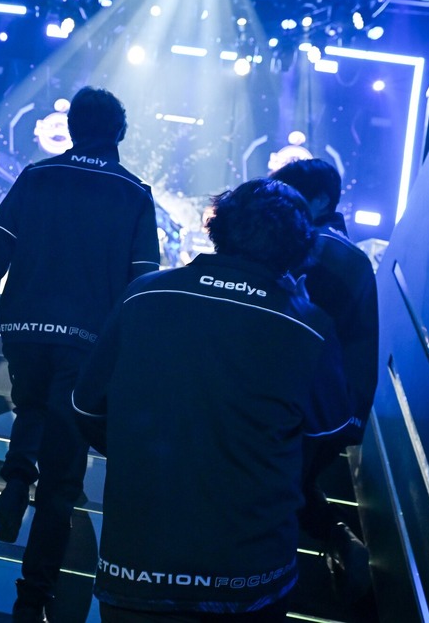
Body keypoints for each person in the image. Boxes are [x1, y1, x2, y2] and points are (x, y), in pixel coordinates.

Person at [72, 178, 358, 621]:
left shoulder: (144, 294)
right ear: (301, 248)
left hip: (136, 567)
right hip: (249, 578)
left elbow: (86, 409)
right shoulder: (309, 326)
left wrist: (152, 454)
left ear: (217, 225)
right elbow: (329, 434)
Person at [0, 86, 160, 621]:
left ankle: (16, 477)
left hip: (25, 328)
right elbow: (144, 279)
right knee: (64, 477)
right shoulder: (135, 193)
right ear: (119, 133)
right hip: (90, 340)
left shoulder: (37, 176)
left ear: (71, 129)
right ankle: (33, 597)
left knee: (31, 406)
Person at [269, 158, 378, 598]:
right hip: (336, 408)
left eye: (289, 196)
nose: (280, 207)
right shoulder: (347, 253)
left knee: (275, 489)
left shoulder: (313, 249)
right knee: (290, 485)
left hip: (307, 404)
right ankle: (340, 543)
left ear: (319, 200)